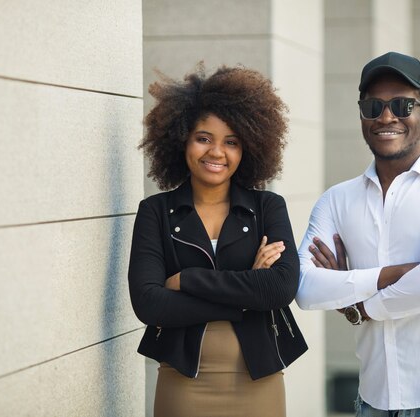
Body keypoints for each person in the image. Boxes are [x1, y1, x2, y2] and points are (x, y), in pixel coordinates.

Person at [296, 52, 420, 416]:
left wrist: (359, 305)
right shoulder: (336, 201)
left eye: (403, 105)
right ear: (361, 115)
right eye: (373, 106)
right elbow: (306, 289)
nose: (386, 116)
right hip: (374, 400)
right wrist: (404, 272)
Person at [128, 64, 308, 417]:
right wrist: (246, 294)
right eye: (204, 138)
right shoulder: (155, 211)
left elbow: (280, 288)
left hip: (259, 383)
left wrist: (187, 281)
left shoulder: (267, 207)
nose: (216, 153)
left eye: (231, 142)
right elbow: (149, 303)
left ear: (248, 149)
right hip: (182, 382)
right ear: (182, 139)